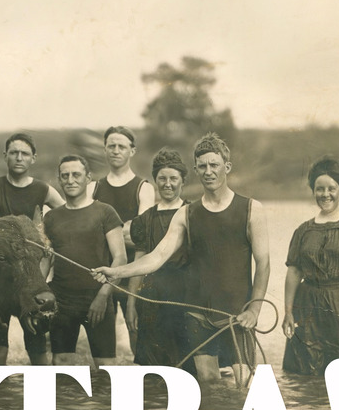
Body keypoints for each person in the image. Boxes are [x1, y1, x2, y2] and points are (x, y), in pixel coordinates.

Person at [92, 132, 270, 383]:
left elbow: (263, 263)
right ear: (196, 170)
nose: (209, 171)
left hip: (238, 313)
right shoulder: (187, 214)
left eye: (214, 165)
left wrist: (255, 308)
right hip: (198, 314)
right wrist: (116, 272)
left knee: (243, 385)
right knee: (208, 385)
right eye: (203, 166)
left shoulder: (252, 209)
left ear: (226, 167)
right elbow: (156, 257)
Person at [282, 156, 339, 374]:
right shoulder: (303, 231)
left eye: (331, 188)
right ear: (313, 191)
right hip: (307, 307)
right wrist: (287, 311)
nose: (325, 194)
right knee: (305, 374)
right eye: (319, 189)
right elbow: (293, 272)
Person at [0, 132, 64, 365]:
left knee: (38, 349)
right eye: (14, 153)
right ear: (5, 156)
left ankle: (42, 395)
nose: (19, 157)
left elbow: (65, 215)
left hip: (31, 276)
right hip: (1, 277)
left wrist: (48, 240)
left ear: (33, 159)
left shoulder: (43, 189)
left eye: (25, 154)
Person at [44, 155, 127, 366]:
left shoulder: (105, 212)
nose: (70, 180)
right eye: (65, 176)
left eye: (76, 175)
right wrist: (41, 291)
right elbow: (46, 260)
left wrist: (103, 296)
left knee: (107, 367)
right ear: (59, 180)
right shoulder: (51, 217)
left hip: (98, 298)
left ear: (88, 178)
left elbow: (121, 258)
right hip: (62, 301)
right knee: (61, 362)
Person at [89, 126, 155, 351]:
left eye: (122, 146)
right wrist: (123, 231)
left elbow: (139, 236)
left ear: (132, 151)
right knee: (102, 349)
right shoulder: (93, 188)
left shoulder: (143, 188)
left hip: (133, 276)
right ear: (105, 149)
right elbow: (90, 234)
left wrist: (104, 234)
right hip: (101, 276)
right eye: (111, 146)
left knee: (137, 339)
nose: (116, 151)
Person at [126, 148, 192, 370]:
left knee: (187, 368)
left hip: (186, 299)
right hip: (152, 300)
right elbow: (139, 263)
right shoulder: (144, 220)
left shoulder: (194, 214)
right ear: (155, 181)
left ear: (183, 181)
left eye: (174, 178)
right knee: (152, 371)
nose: (168, 184)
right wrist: (131, 304)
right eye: (162, 178)